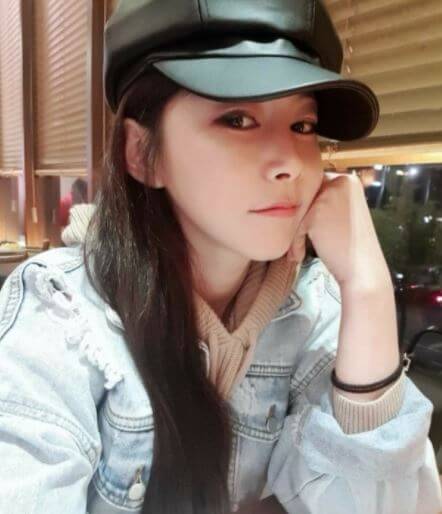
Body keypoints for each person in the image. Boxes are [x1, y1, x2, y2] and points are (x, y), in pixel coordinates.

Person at [0, 1, 441, 513]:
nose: (289, 162)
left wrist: (367, 288)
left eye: (303, 126)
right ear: (142, 153)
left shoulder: (316, 308)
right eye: (238, 118)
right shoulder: (60, 313)